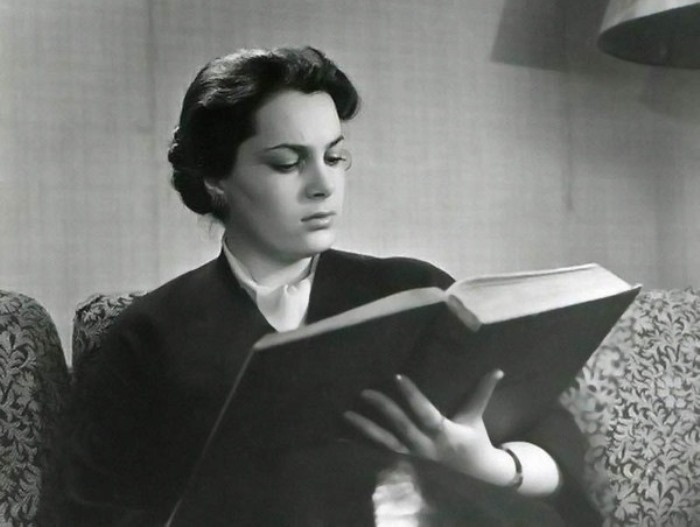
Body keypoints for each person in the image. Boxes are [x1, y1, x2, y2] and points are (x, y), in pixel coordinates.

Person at [59, 46, 602, 526]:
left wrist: (491, 464)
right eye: (286, 163)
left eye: (335, 156)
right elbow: (90, 510)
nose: (323, 185)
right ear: (215, 178)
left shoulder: (417, 290)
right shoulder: (150, 335)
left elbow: (553, 441)